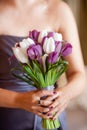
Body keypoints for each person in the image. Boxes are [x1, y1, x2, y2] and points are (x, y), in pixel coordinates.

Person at [0, 0, 86, 130]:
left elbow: (79, 74)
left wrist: (64, 95)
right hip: (7, 119)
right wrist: (18, 99)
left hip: (51, 118)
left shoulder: (59, 10)